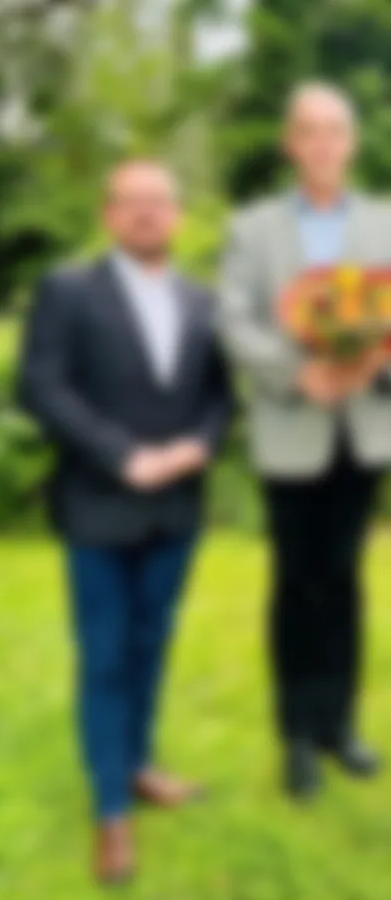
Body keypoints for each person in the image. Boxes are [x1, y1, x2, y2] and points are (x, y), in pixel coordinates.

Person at [20, 160, 232, 883]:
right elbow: (45, 385)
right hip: (99, 504)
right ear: (111, 215)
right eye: (131, 203)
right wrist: (123, 455)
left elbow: (220, 395)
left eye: (159, 203)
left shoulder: (203, 301)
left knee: (151, 644)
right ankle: (111, 812)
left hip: (177, 505)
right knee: (106, 656)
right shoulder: (70, 292)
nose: (146, 215)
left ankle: (138, 767)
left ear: (175, 216)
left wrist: (194, 448)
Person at [218, 82, 389, 799]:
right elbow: (235, 321)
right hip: (293, 430)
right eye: (309, 131)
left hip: (364, 430)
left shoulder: (383, 223)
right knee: (297, 582)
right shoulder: (256, 229)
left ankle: (335, 726)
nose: (322, 144)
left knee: (345, 580)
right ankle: (294, 735)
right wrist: (300, 372)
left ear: (349, 143)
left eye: (334, 131)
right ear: (293, 144)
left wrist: (372, 359)